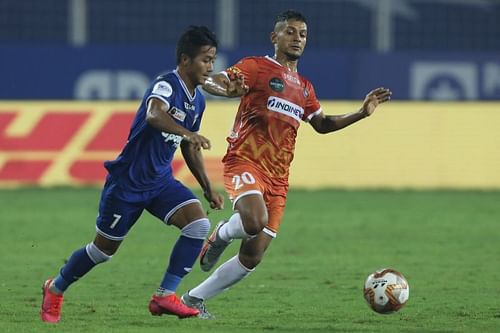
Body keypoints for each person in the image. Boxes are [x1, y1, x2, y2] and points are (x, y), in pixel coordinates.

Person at [180, 10, 392, 319]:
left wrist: (361, 113)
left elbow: (321, 123)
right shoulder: (256, 67)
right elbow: (217, 80)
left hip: (278, 178)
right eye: (290, 32)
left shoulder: (305, 88)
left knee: (252, 256)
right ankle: (223, 232)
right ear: (274, 37)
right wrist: (224, 89)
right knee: (252, 221)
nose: (297, 38)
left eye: (302, 34)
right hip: (245, 162)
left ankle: (192, 299)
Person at [40, 26, 226, 323]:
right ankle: (56, 287)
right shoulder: (166, 84)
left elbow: (189, 147)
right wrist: (187, 132)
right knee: (102, 251)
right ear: (185, 60)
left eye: (212, 59)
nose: (210, 67)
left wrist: (207, 187)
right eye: (205, 59)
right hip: (127, 182)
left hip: (160, 182)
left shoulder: (198, 101)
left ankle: (164, 296)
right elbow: (154, 115)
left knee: (198, 225)